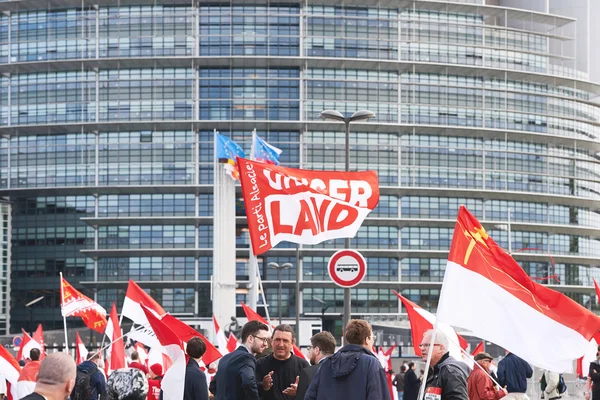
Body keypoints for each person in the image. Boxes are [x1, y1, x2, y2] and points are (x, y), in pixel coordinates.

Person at [304, 319, 390, 400]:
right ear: (367, 339)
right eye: (372, 338)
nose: (373, 341)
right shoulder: (372, 364)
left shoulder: (327, 363)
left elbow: (310, 396)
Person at [209, 320, 270, 400]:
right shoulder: (247, 358)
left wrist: (262, 386)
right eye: (263, 339)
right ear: (251, 338)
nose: (266, 344)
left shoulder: (225, 358)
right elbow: (248, 382)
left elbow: (213, 386)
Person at [256, 324, 309, 400]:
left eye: (285, 340)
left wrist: (299, 392)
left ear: (292, 343)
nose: (281, 345)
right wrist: (263, 386)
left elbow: (312, 394)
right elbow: (251, 392)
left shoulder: (303, 365)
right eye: (277, 340)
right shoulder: (259, 364)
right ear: (271, 341)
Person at [419, 329, 469, 400]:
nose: (422, 348)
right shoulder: (431, 372)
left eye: (427, 345)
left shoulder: (451, 372)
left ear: (441, 348)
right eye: (421, 345)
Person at [296, 331, 336, 400]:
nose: (309, 351)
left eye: (310, 348)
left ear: (317, 350)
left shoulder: (308, 373)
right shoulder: (343, 369)